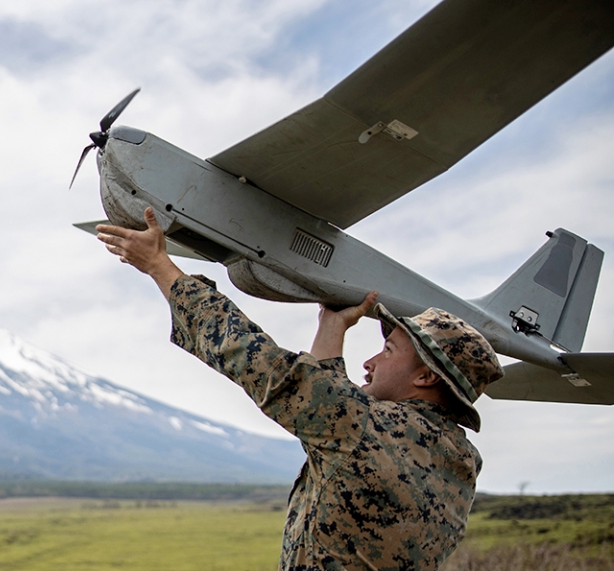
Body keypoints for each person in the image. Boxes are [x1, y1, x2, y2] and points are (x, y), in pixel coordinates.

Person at [96, 207, 504, 571]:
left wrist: (159, 267)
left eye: (387, 350)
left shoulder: (362, 428)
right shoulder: (460, 462)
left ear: (427, 377)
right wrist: (332, 329)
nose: (371, 362)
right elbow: (332, 415)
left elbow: (257, 362)